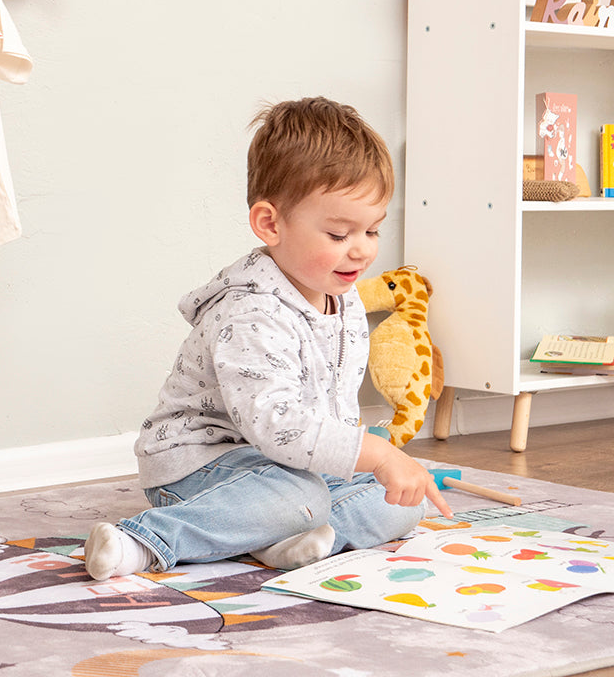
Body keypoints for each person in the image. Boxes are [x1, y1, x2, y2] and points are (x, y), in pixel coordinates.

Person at [85, 96, 452, 581]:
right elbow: (278, 426)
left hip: (288, 467)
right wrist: (377, 454)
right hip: (204, 467)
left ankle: (285, 539)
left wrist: (381, 460)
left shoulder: (343, 299)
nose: (362, 250)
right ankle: (147, 540)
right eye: (340, 234)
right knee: (304, 496)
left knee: (402, 501)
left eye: (373, 230)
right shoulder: (251, 313)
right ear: (270, 224)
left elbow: (329, 413)